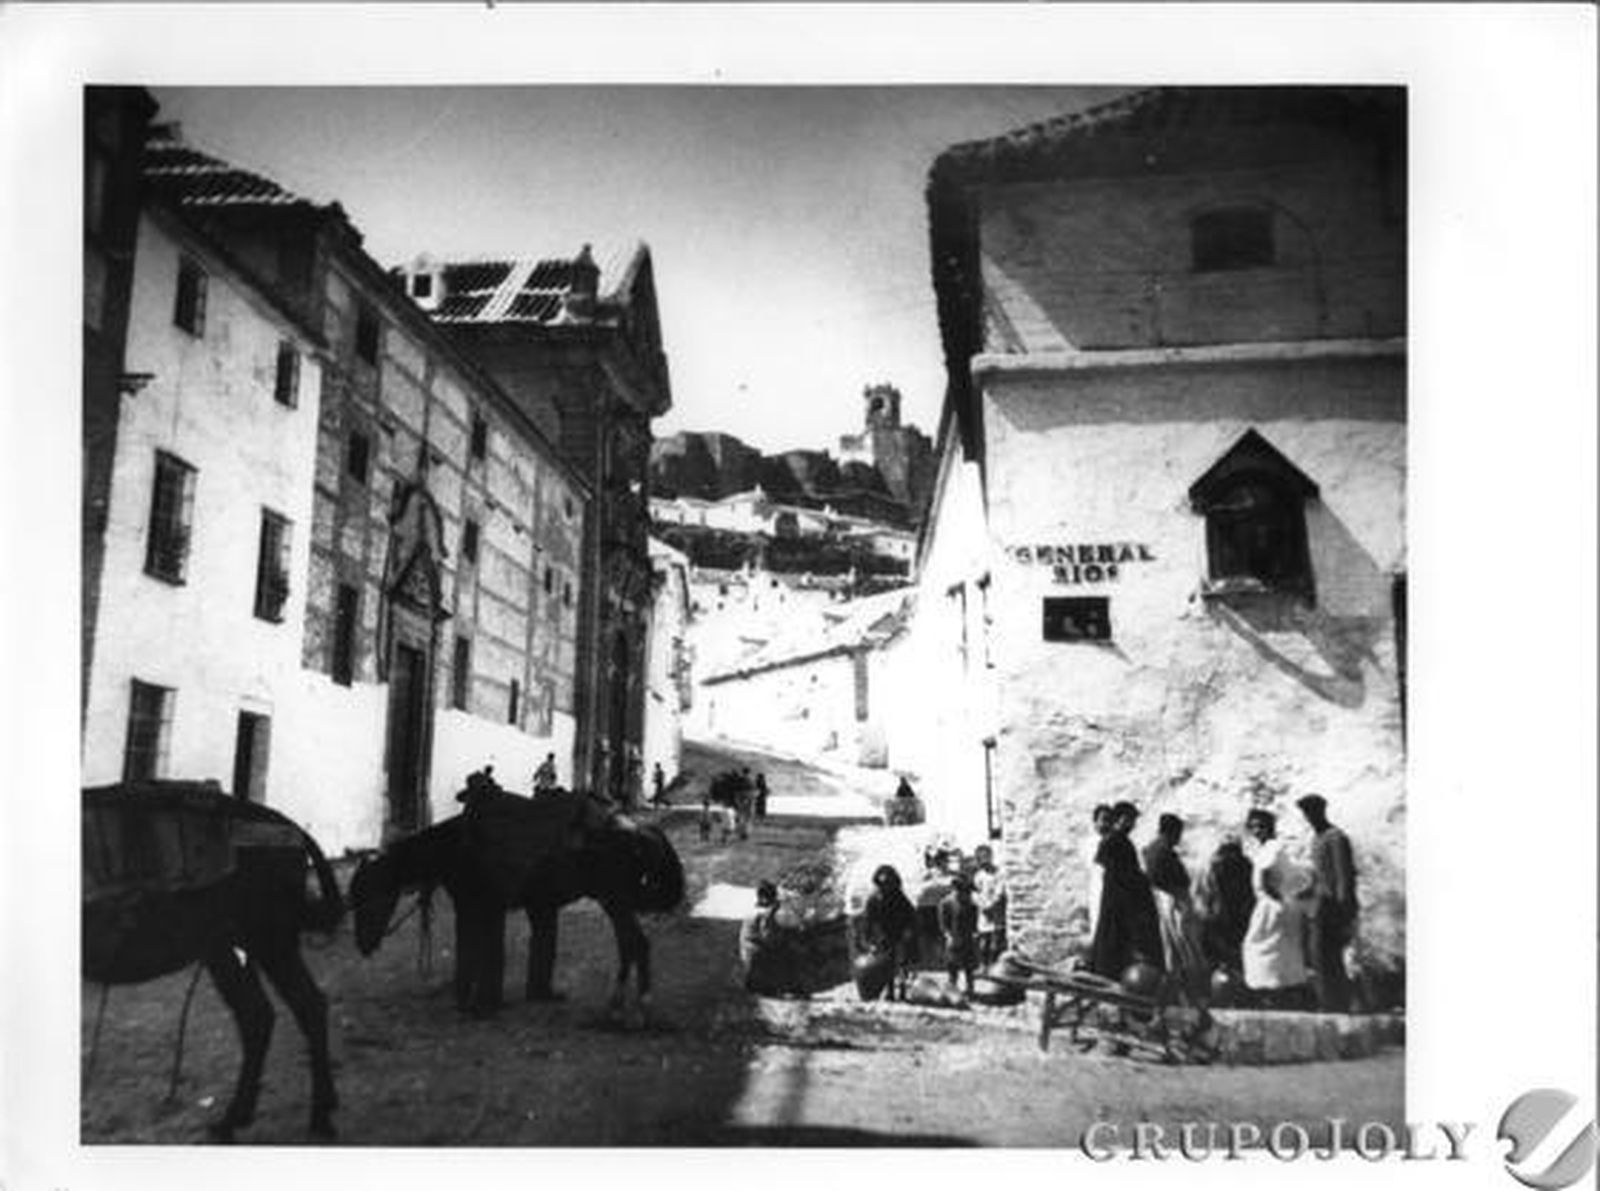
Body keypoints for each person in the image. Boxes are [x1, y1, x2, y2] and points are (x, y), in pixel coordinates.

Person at [1241, 808, 1313, 1008]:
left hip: (1272, 905)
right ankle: (1281, 992)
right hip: (1279, 903)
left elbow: (1264, 878)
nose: (1257, 831)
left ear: (1270, 827)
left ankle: (1272, 992)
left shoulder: (1272, 847)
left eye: (1261, 826)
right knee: (1280, 949)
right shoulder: (1272, 847)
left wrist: (1275, 899)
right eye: (1253, 826)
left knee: (1261, 947)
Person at [1088, 801, 1164, 981]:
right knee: (1114, 938)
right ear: (1120, 819)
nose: (1132, 825)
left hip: (1122, 899)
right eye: (1129, 820)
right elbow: (1120, 873)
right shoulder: (1113, 841)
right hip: (1118, 900)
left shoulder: (1120, 841)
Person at [1297, 794, 1359, 1012]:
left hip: (1334, 907)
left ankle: (1336, 1004)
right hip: (1319, 905)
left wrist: (1345, 910)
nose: (1309, 817)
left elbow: (1344, 876)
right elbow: (1318, 876)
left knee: (1329, 956)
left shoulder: (1336, 837)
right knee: (1319, 956)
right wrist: (1303, 893)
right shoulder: (1316, 839)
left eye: (1312, 812)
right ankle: (1329, 1002)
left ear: (1322, 811)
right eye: (1306, 814)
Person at [1141, 813, 1208, 1003]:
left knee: (1172, 948)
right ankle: (1195, 991)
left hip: (1164, 899)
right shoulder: (1163, 851)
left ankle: (1178, 990)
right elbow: (1168, 878)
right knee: (1187, 946)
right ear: (1172, 832)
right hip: (1175, 899)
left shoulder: (1152, 849)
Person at [857, 864, 918, 1001]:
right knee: (886, 965)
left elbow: (911, 916)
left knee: (902, 964)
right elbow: (868, 920)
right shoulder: (874, 899)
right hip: (884, 935)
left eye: (888, 883)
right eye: (883, 883)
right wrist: (867, 939)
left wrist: (909, 932)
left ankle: (902, 990)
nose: (885, 886)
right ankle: (889, 991)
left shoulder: (900, 897)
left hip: (900, 933)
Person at [1196, 835, 1256, 975]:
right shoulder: (1213, 865)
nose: (1231, 855)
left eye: (1234, 850)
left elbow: (1251, 891)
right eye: (1228, 850)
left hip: (1235, 914)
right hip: (1222, 915)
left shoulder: (1245, 865)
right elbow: (1204, 892)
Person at [939, 873, 981, 994]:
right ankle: (953, 988)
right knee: (952, 965)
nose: (964, 894)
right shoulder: (946, 903)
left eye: (966, 891)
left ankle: (970, 988)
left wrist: (974, 934)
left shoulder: (971, 904)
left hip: (967, 937)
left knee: (969, 965)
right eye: (960, 890)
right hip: (953, 937)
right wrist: (948, 936)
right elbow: (943, 923)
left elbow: (974, 921)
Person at [971, 844, 1008, 966]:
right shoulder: (978, 876)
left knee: (995, 941)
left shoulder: (998, 874)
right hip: (984, 912)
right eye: (980, 858)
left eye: (985, 857)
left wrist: (992, 904)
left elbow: (1000, 892)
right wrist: (981, 904)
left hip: (996, 912)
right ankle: (984, 965)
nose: (983, 861)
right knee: (983, 941)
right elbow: (975, 892)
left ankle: (994, 964)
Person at [1084, 803, 1113, 938]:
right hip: (1098, 888)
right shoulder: (1090, 843)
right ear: (1095, 822)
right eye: (1103, 820)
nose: (1106, 824)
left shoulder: (1114, 841)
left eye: (1109, 820)